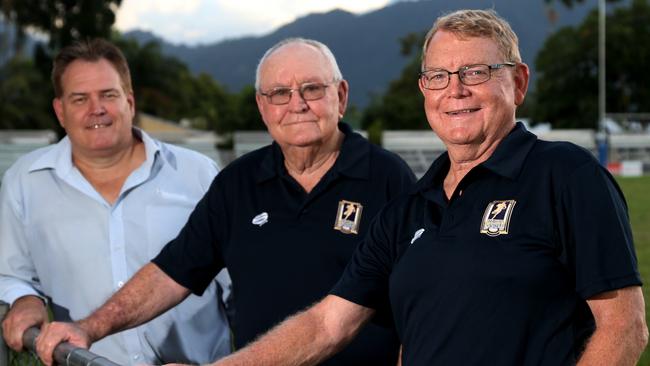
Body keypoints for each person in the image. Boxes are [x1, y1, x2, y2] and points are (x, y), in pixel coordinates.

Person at [164, 9, 647, 366]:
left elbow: (624, 329)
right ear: (423, 90)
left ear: (518, 83)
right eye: (438, 76)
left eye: (476, 73)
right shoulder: (410, 208)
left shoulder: (565, 174)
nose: (454, 90)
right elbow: (326, 324)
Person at [33, 38, 415, 366]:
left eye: (312, 89)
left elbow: (417, 301)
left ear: (341, 95)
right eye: (279, 93)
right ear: (263, 107)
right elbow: (171, 272)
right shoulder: (237, 182)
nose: (296, 104)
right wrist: (88, 327)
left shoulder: (387, 177)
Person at [0, 38, 232, 365]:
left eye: (108, 95)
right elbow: (10, 272)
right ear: (60, 110)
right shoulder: (24, 181)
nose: (97, 109)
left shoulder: (198, 174)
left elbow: (238, 281)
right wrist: (23, 298)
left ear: (130, 102)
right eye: (80, 98)